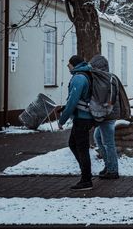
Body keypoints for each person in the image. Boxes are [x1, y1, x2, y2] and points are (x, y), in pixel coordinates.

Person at [58, 55, 96, 191]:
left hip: (82, 118)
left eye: (69, 64)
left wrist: (62, 119)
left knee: (82, 148)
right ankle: (87, 174)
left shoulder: (79, 78)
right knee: (73, 144)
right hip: (84, 117)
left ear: (74, 64)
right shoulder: (85, 74)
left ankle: (86, 180)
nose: (67, 66)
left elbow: (72, 102)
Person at [90, 55, 120, 179]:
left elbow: (111, 99)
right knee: (98, 137)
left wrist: (105, 107)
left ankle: (113, 171)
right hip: (106, 114)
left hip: (108, 114)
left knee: (108, 143)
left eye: (94, 66)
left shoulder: (108, 78)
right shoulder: (104, 78)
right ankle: (109, 166)